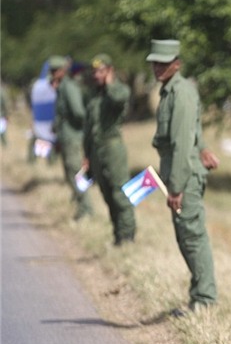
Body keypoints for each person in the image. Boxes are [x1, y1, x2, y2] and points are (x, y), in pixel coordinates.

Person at [146, 39, 218, 314]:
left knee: (192, 238)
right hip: (180, 175)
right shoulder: (170, 91)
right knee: (186, 237)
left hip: (184, 178)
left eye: (164, 63)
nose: (158, 68)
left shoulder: (181, 93)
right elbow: (193, 133)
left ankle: (204, 301)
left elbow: (182, 143)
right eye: (155, 62)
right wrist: (204, 148)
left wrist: (176, 187)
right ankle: (199, 297)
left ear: (177, 64)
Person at [83, 54, 136, 246]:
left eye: (101, 71)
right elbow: (88, 128)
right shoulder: (93, 95)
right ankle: (117, 235)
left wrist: (110, 83)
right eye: (95, 72)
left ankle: (127, 236)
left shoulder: (118, 89)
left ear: (110, 71)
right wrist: (87, 155)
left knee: (119, 193)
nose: (97, 75)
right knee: (106, 193)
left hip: (113, 148)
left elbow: (119, 99)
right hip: (96, 150)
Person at [50, 55, 93, 220]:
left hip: (73, 137)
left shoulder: (69, 87)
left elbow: (79, 113)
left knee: (76, 173)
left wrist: (82, 131)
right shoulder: (61, 87)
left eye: (56, 70)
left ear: (63, 71)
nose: (53, 73)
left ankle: (86, 209)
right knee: (70, 173)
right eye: (52, 70)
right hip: (66, 137)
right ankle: (81, 206)